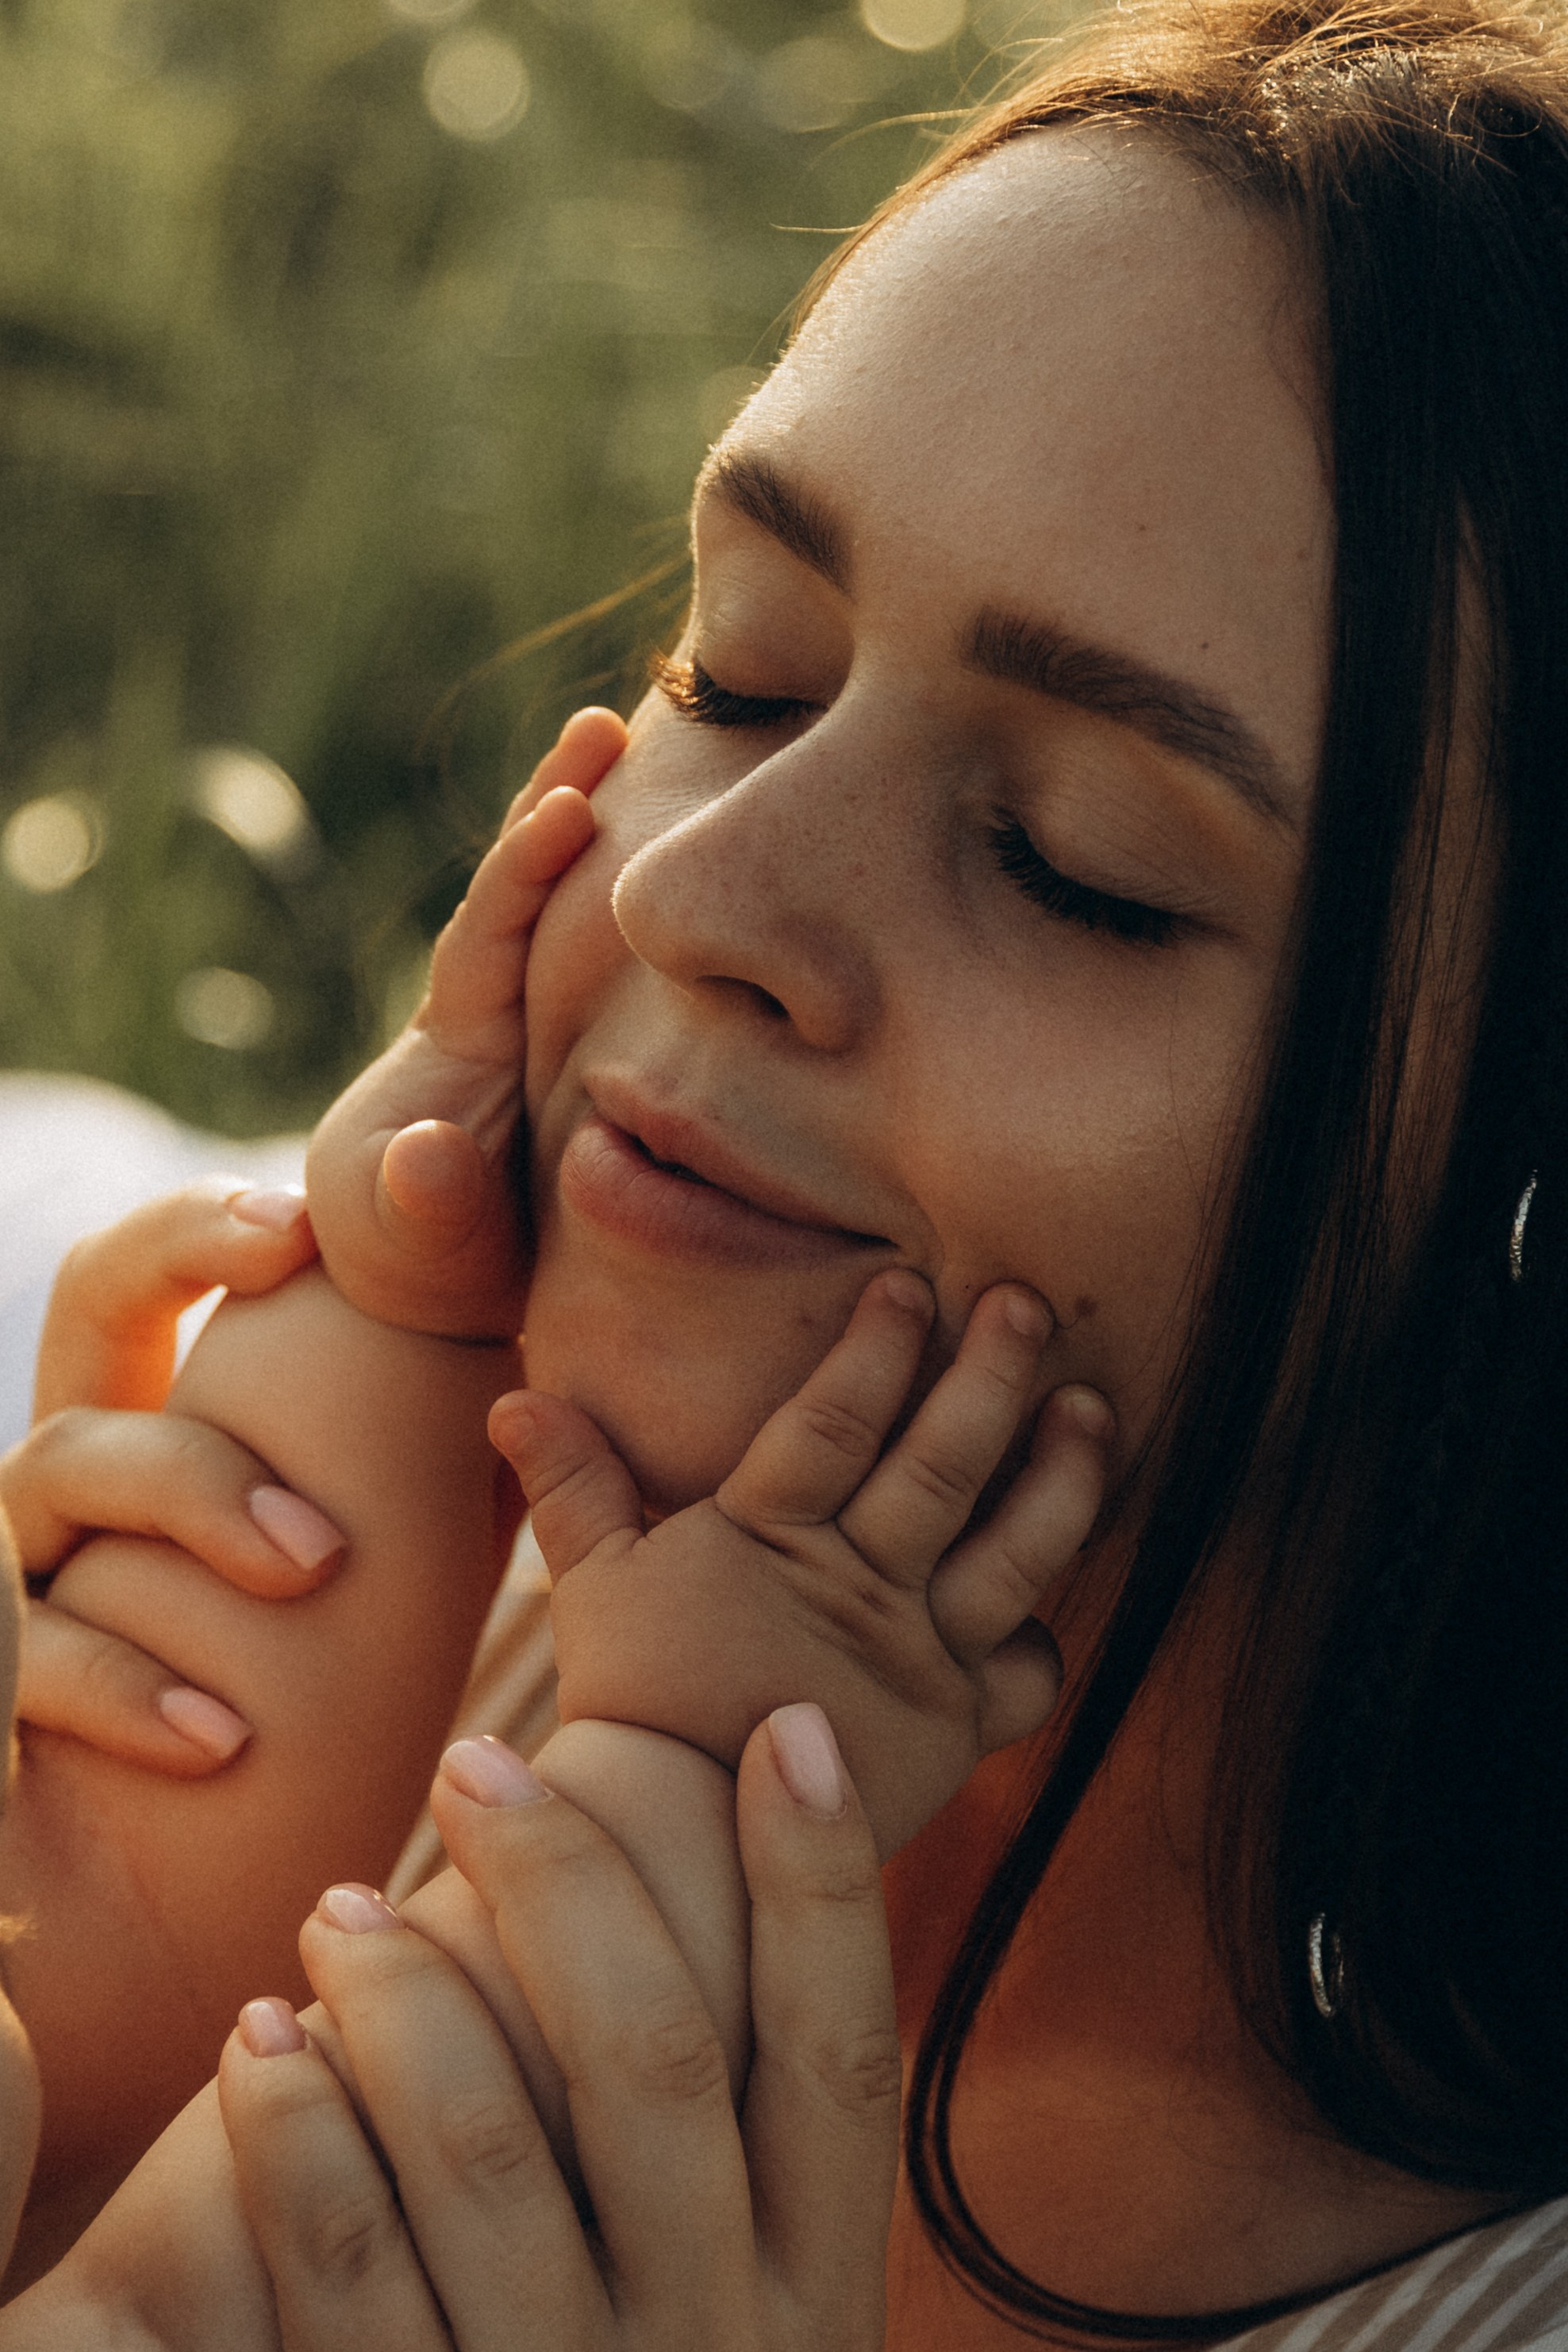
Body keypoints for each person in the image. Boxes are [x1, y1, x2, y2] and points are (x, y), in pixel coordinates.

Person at [10, 0, 1568, 2341]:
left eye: (1079, 866)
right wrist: (124, 1924)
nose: (692, 893)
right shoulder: (377, 1598)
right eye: (746, 667)